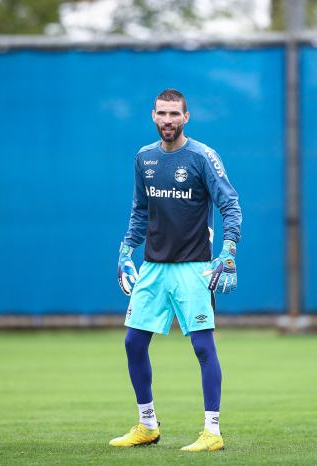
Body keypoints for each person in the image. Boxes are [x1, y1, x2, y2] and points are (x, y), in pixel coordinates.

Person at [110, 88, 242, 452]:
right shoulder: (144, 159)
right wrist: (125, 253)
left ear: (187, 117)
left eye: (174, 114)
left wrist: (228, 253)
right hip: (153, 267)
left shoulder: (202, 157)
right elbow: (140, 211)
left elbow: (230, 205)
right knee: (133, 343)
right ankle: (147, 425)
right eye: (162, 114)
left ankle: (212, 432)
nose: (168, 120)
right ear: (152, 115)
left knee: (202, 347)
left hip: (194, 267)